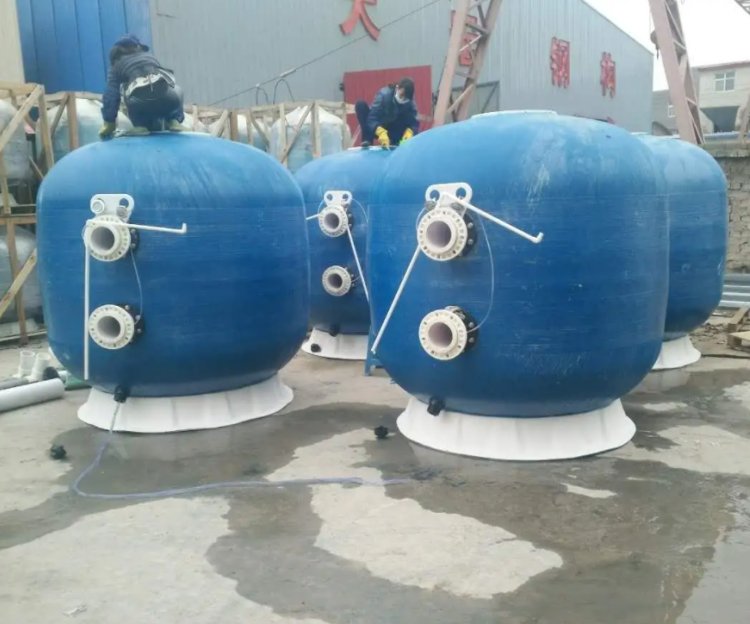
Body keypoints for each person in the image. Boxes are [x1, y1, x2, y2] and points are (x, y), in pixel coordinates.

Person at [99, 34, 185, 139]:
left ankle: (140, 126)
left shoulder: (116, 66)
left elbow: (111, 95)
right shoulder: (150, 57)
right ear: (138, 46)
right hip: (169, 99)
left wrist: (109, 122)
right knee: (174, 87)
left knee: (128, 89)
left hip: (139, 103)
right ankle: (173, 120)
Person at [355, 78, 419, 148]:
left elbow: (414, 122)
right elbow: (372, 118)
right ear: (397, 88)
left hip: (394, 130)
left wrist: (410, 132)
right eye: (401, 95)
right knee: (360, 105)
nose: (402, 99)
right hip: (379, 127)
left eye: (405, 98)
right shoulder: (384, 95)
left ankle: (396, 142)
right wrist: (380, 131)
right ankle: (367, 140)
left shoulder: (410, 101)